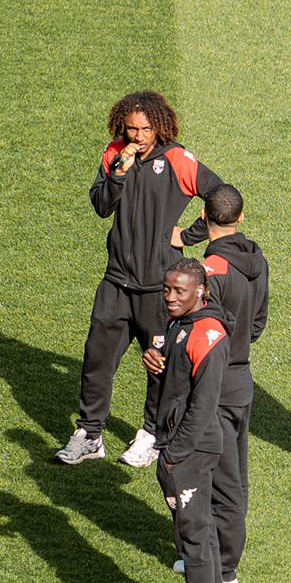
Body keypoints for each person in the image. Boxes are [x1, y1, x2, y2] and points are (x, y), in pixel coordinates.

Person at [57, 90, 225, 471]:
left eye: (146, 129)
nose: (139, 136)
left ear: (159, 127)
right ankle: (89, 434)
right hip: (116, 282)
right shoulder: (115, 154)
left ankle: (151, 435)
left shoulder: (177, 159)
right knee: (97, 358)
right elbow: (101, 206)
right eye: (132, 129)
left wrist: (188, 235)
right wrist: (118, 172)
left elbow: (221, 195)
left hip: (160, 289)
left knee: (160, 366)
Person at [180, 182, 269, 583]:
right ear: (241, 217)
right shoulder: (257, 258)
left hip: (215, 384)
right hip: (242, 379)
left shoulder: (210, 271)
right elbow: (257, 323)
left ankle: (224, 573)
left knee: (221, 481)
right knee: (236, 477)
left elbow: (202, 329)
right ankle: (217, 560)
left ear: (205, 218)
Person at [143, 258, 231, 583]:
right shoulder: (182, 324)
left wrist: (174, 456)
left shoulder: (208, 333)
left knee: (193, 539)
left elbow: (202, 405)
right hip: (188, 447)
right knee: (204, 533)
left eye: (179, 291)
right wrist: (155, 362)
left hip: (190, 450)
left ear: (201, 291)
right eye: (167, 289)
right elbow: (177, 384)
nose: (170, 297)